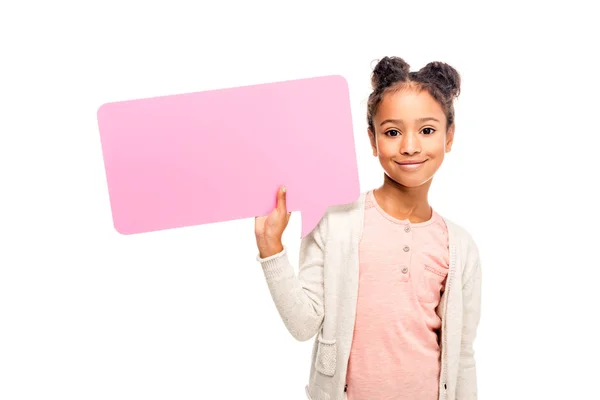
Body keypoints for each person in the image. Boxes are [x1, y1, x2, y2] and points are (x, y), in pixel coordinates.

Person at [254, 56, 482, 400]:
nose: (409, 145)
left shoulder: (460, 247)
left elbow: (462, 355)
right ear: (373, 141)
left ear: (449, 137)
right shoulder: (335, 221)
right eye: (392, 132)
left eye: (427, 130)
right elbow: (304, 325)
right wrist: (271, 248)